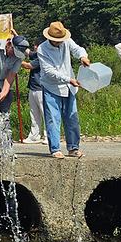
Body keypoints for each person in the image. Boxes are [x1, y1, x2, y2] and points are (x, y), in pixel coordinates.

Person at [37, 21, 91, 159]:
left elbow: (77, 49)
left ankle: (73, 147)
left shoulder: (66, 41)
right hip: (51, 86)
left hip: (69, 86)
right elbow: (49, 71)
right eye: (56, 40)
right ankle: (55, 148)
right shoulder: (42, 49)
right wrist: (68, 79)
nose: (59, 42)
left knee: (72, 117)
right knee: (53, 119)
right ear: (49, 38)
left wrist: (83, 57)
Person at [21, 45, 48, 144]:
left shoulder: (42, 56)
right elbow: (27, 51)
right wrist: (15, 36)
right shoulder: (36, 54)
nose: (35, 48)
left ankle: (47, 136)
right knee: (34, 113)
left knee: (44, 113)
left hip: (41, 88)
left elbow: (28, 66)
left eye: (36, 46)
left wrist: (16, 60)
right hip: (32, 87)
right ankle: (34, 136)